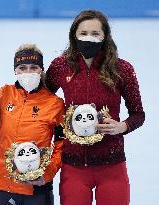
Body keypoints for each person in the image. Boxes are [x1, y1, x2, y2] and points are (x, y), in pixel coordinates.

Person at [45, 10, 145, 205]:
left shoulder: (122, 69)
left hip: (112, 165)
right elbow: (41, 99)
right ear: (74, 35)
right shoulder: (60, 66)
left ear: (105, 37)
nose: (88, 38)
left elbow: (138, 114)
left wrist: (122, 126)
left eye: (95, 34)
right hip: (73, 166)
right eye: (83, 33)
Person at [0, 44, 65, 205]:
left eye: (33, 67)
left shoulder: (55, 103)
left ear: (41, 70)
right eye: (22, 68)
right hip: (2, 185)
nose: (28, 72)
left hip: (37, 188)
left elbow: (62, 143)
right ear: (15, 71)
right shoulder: (3, 94)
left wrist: (48, 172)